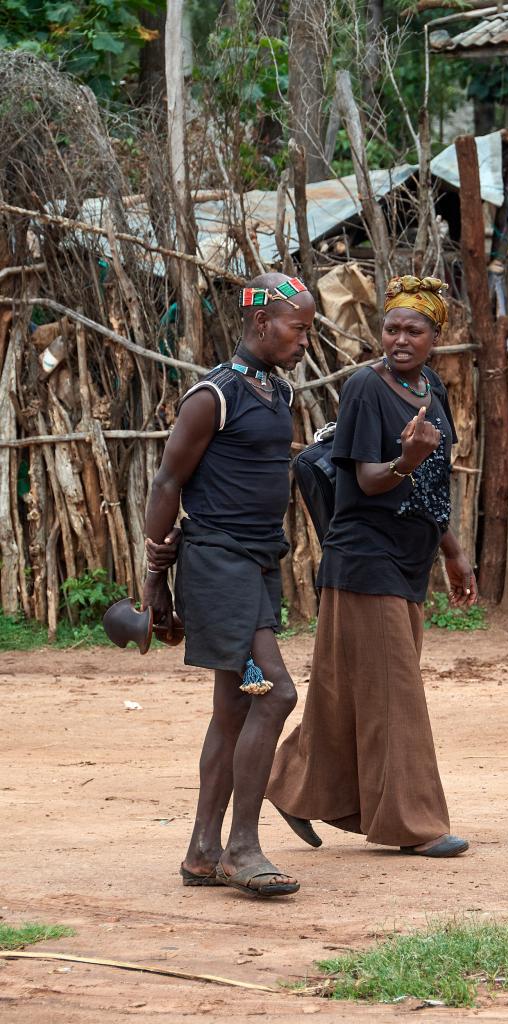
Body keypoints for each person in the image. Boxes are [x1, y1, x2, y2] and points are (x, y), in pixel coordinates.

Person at [267, 275, 478, 857]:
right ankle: (414, 824)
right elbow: (366, 480)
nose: (400, 339)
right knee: (395, 694)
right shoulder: (364, 387)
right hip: (364, 556)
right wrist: (406, 457)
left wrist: (453, 553)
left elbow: (433, 487)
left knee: (353, 691)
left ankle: (290, 783)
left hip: (408, 562)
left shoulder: (431, 387)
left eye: (414, 330)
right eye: (392, 328)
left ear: (436, 336)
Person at [143, 272, 315, 897]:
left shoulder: (278, 393)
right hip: (218, 565)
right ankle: (242, 848)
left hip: (258, 565)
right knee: (272, 694)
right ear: (261, 322)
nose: (304, 340)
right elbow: (167, 484)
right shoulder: (211, 397)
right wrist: (157, 580)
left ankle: (201, 853)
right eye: (298, 328)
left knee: (233, 707)